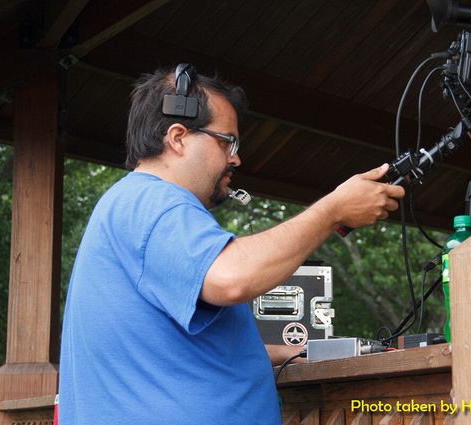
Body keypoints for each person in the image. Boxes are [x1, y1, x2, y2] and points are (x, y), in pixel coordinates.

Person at [58, 65, 404, 424]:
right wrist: (333, 210)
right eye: (227, 142)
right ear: (177, 137)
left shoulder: (130, 205)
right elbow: (232, 278)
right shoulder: (155, 202)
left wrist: (281, 353)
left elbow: (167, 349)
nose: (236, 158)